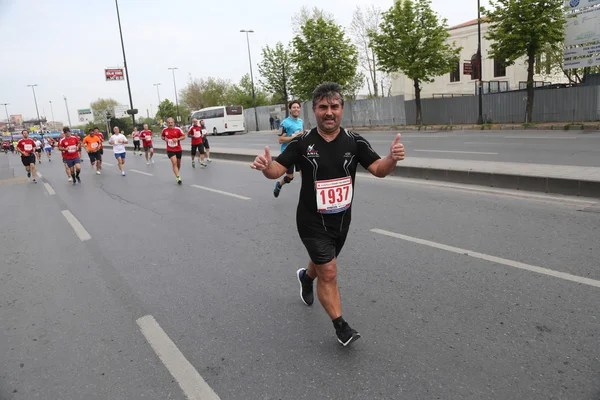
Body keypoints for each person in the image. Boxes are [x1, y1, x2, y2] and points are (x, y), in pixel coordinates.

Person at [250, 82, 406, 347]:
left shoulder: (354, 142)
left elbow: (379, 169)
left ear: (342, 109)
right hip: (311, 221)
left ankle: (305, 277)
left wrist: (391, 158)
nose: (329, 112)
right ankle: (341, 326)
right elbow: (277, 170)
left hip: (341, 221)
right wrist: (266, 168)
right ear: (315, 110)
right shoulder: (302, 142)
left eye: (334, 106)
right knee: (330, 272)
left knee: (323, 264)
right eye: (323, 107)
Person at [273, 100, 304, 198]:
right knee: (290, 177)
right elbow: (281, 140)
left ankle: (308, 194)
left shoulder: (300, 121)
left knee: (305, 173)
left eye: (298, 107)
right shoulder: (284, 123)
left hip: (299, 152)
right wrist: (293, 137)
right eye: (294, 107)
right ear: (290, 109)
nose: (296, 109)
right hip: (288, 153)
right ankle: (279, 184)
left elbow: (301, 134)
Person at [161, 117, 185, 184]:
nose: (170, 124)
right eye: (169, 123)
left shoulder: (178, 129)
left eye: (171, 122)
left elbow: (184, 136)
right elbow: (162, 136)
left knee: (178, 163)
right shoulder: (164, 130)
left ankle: (177, 172)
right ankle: (178, 177)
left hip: (178, 149)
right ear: (167, 123)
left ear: (174, 123)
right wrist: (164, 138)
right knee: (174, 162)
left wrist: (177, 139)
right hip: (170, 149)